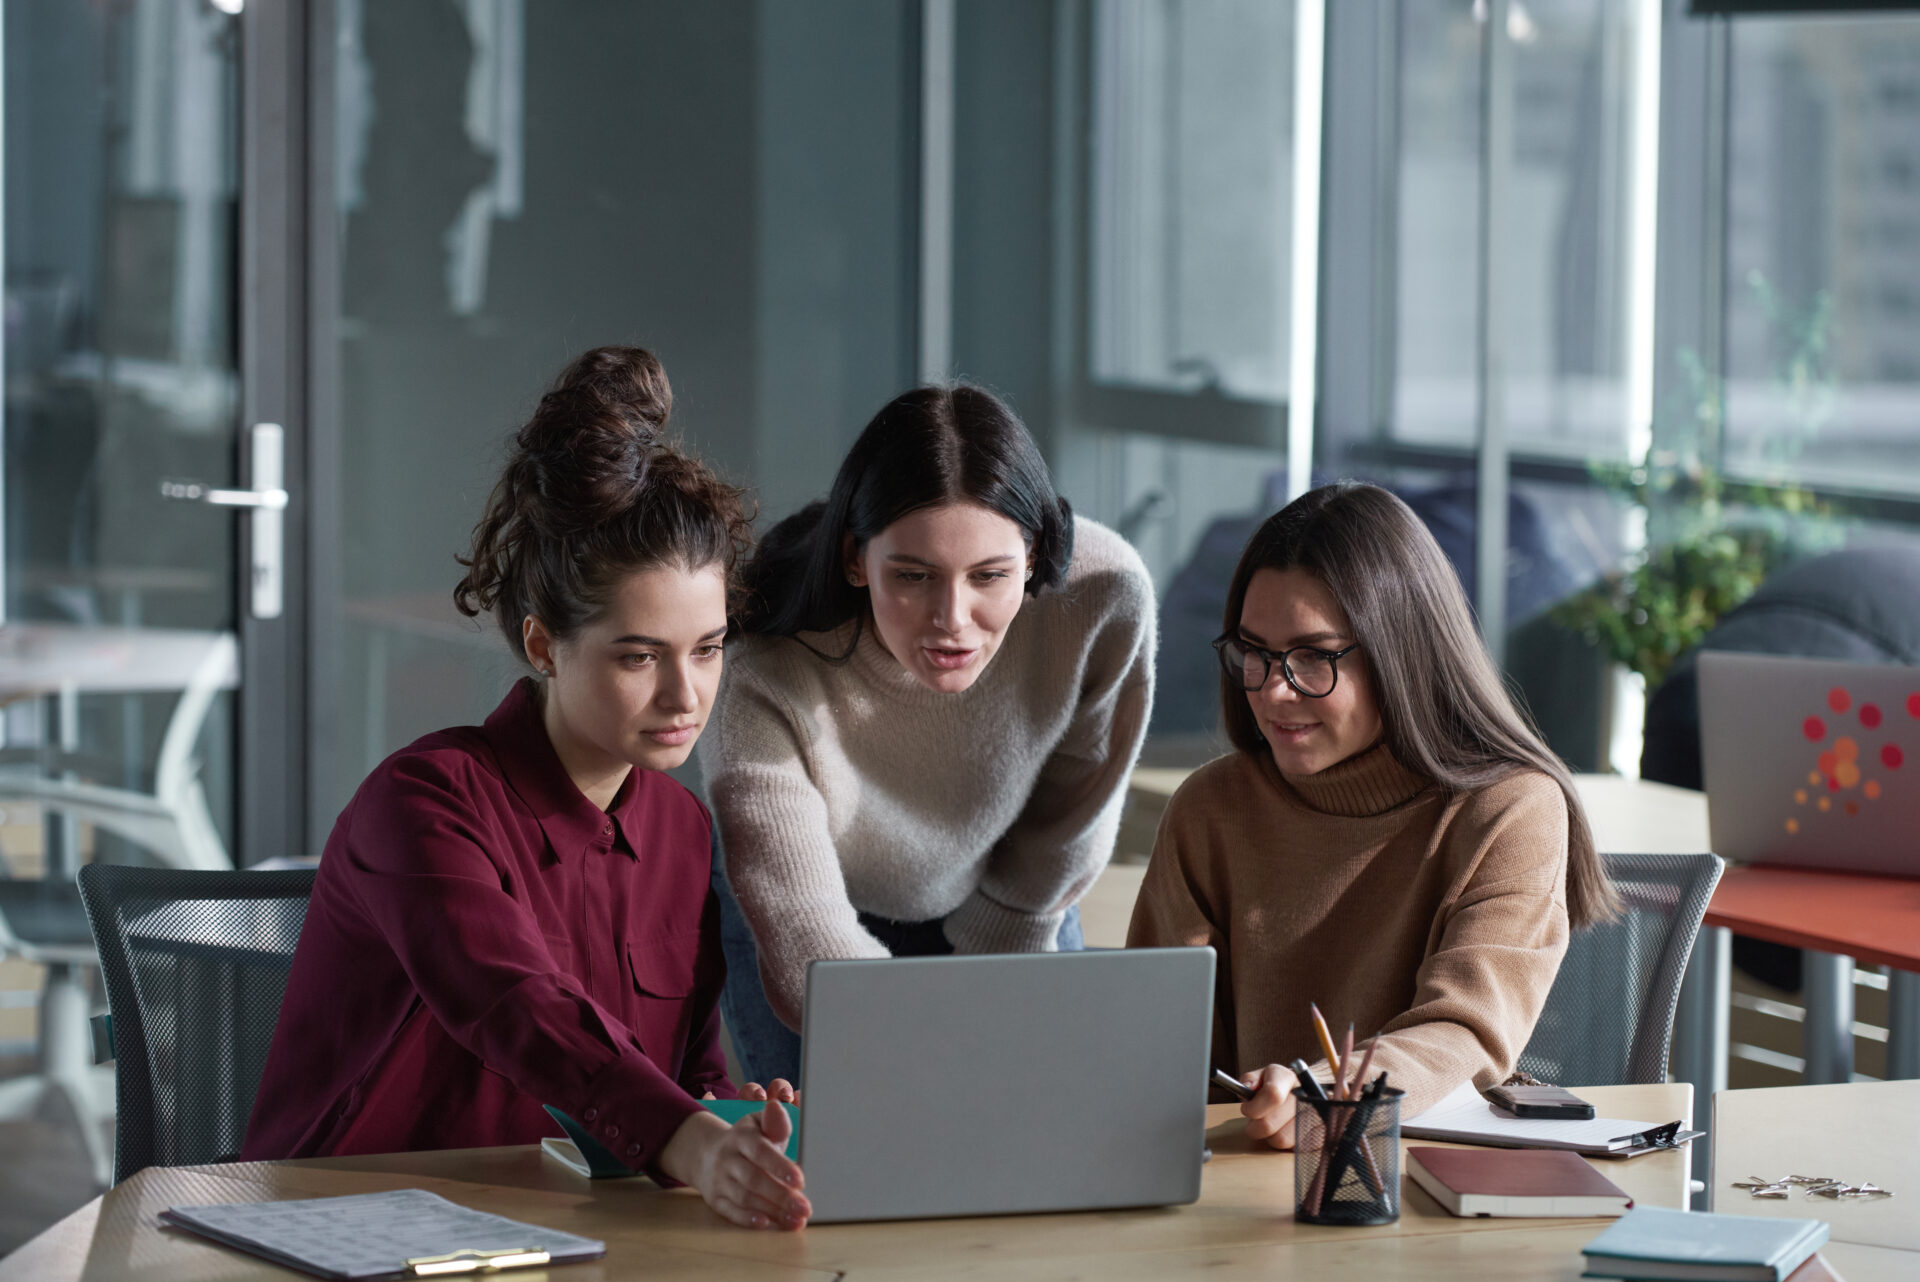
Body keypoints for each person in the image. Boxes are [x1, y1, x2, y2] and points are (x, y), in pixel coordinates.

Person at [243, 347, 811, 1231]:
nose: (686, 696)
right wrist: (689, 1137)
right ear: (546, 647)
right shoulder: (421, 804)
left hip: (552, 1230)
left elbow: (682, 1078)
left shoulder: (680, 829)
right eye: (639, 656)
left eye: (707, 649)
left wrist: (737, 1126)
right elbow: (516, 1009)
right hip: (343, 1228)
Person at [1127, 481, 1618, 1148]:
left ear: (1401, 651)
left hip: (1420, 1181)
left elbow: (1466, 1031)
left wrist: (1333, 1098)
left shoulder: (1510, 810)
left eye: (1313, 657)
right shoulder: (1213, 809)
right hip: (1236, 1184)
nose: (1274, 689)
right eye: (1256, 653)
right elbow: (1157, 1058)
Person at [700, 384, 1156, 1085]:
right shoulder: (763, 664)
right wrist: (927, 1064)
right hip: (819, 907)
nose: (953, 619)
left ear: (1033, 555)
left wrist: (1002, 954)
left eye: (990, 577)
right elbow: (803, 931)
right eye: (913, 577)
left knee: (1031, 1147)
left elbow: (1076, 798)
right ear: (855, 559)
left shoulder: (1103, 595)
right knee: (835, 1171)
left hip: (1011, 891)